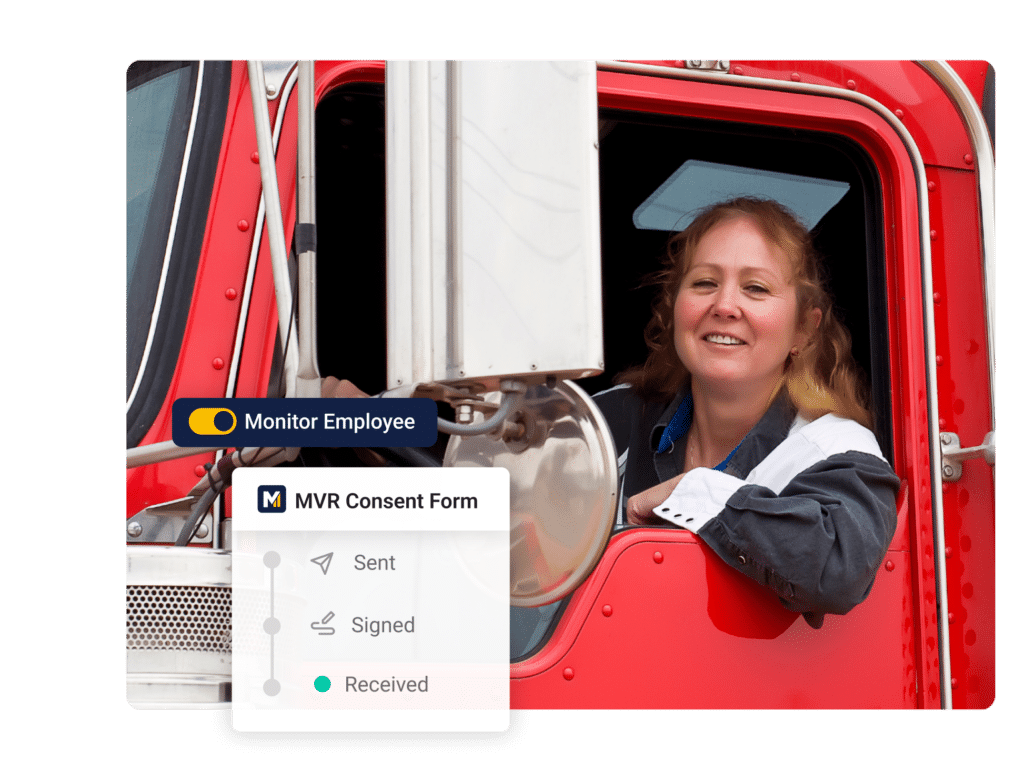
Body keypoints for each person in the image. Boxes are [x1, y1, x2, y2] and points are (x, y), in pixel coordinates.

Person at [593, 197, 898, 628]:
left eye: (755, 288)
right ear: (674, 307)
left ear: (804, 330)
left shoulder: (834, 449)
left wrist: (694, 493)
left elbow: (837, 566)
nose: (724, 305)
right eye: (703, 283)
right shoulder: (604, 422)